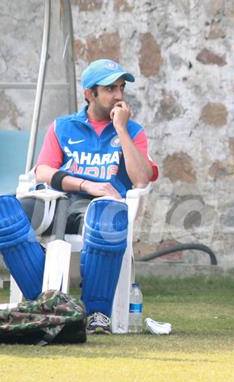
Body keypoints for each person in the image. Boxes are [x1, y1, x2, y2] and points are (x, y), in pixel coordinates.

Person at [20, 58, 158, 334]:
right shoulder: (62, 127)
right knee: (10, 216)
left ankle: (96, 315)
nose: (119, 96)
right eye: (110, 89)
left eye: (121, 88)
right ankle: (43, 306)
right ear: (89, 94)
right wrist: (85, 185)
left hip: (105, 211)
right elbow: (43, 170)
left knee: (105, 219)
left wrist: (121, 129)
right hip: (61, 205)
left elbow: (142, 178)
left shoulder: (133, 131)